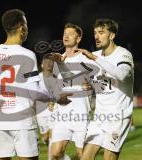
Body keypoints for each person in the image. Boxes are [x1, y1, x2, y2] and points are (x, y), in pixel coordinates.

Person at [0, 9, 70, 160]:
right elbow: (33, 91)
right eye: (26, 24)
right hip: (22, 120)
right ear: (22, 27)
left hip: (0, 122)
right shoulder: (27, 55)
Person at [76, 18, 134, 160]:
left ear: (112, 35)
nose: (96, 36)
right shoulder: (95, 55)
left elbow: (121, 75)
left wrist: (95, 59)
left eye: (101, 32)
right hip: (99, 117)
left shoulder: (123, 54)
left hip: (118, 117)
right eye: (95, 33)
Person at [50, 23, 98, 160]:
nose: (66, 36)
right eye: (65, 33)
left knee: (82, 155)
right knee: (55, 154)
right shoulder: (58, 59)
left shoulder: (85, 58)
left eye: (70, 34)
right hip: (62, 115)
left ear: (78, 39)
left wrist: (92, 85)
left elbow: (101, 80)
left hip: (80, 114)